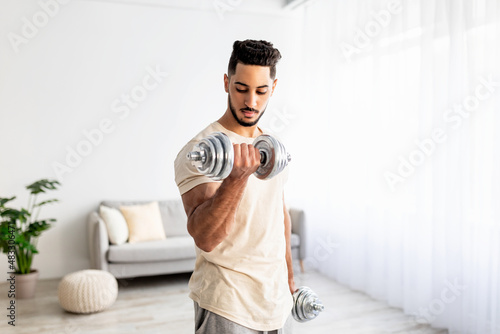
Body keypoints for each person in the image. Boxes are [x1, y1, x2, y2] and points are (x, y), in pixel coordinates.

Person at [174, 39, 295, 334]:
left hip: (277, 300)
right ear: (227, 83)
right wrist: (236, 178)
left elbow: (280, 217)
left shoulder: (272, 147)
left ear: (273, 89)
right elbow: (206, 237)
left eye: (261, 91)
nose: (251, 101)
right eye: (241, 89)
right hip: (227, 303)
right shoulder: (199, 151)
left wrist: (290, 279)